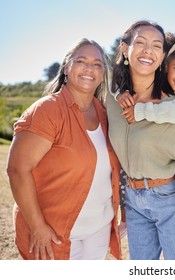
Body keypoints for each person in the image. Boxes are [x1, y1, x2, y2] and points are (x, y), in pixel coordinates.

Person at [6, 38, 122, 260]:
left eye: (97, 64)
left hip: (97, 229)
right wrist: (38, 226)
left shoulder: (105, 113)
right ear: (67, 67)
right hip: (54, 232)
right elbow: (17, 170)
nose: (90, 68)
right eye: (81, 61)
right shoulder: (47, 110)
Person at [106, 20, 175, 260]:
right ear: (125, 49)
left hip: (168, 197)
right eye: (140, 42)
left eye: (156, 45)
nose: (147, 50)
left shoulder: (173, 108)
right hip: (132, 202)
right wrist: (120, 93)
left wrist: (170, 174)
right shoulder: (112, 100)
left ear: (162, 55)